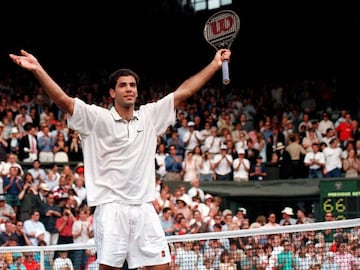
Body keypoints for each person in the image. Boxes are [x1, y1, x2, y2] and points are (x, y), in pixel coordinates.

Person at [9, 48, 231, 270]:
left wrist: (214, 64)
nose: (129, 89)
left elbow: (183, 93)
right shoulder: (97, 117)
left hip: (144, 206)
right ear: (112, 93)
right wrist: (37, 69)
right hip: (111, 207)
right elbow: (63, 101)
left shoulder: (150, 115)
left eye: (132, 85)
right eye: (123, 85)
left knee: (162, 265)